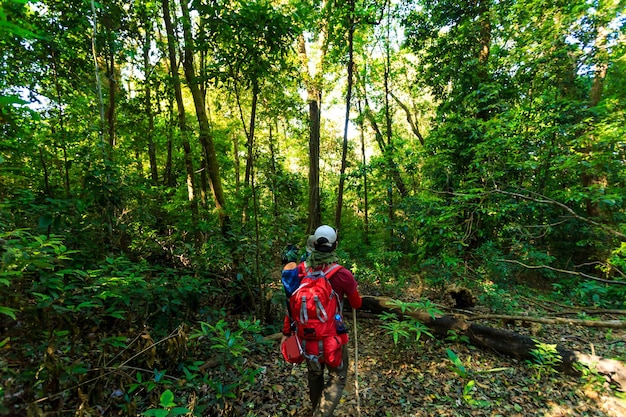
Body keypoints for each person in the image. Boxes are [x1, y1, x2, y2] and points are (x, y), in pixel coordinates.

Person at [280, 225, 362, 417]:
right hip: (333, 339)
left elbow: (290, 306)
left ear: (314, 244)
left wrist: (286, 333)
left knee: (314, 374)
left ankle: (316, 407)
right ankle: (320, 414)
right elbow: (356, 303)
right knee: (338, 377)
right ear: (335, 246)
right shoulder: (342, 273)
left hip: (306, 340)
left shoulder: (300, 271)